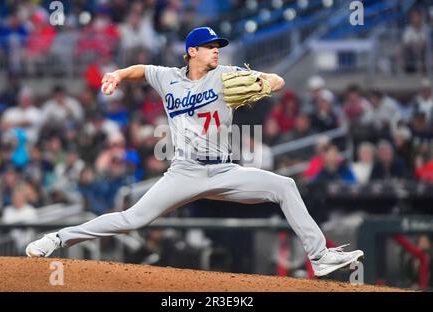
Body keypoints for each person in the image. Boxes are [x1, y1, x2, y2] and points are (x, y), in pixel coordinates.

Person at [26, 27, 363, 277]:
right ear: (191, 52)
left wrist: (264, 84)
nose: (216, 51)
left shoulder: (226, 76)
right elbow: (141, 70)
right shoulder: (168, 77)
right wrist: (116, 74)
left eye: (217, 46)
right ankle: (57, 239)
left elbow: (277, 81)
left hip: (224, 170)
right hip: (184, 172)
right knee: (132, 220)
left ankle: (318, 257)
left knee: (285, 186)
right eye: (209, 47)